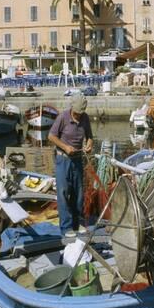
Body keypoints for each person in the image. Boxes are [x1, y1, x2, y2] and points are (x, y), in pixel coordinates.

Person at [48, 93, 93, 238]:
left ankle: (77, 223)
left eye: (81, 113)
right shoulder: (62, 117)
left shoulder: (85, 118)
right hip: (63, 160)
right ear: (72, 108)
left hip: (78, 160)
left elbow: (90, 137)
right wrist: (65, 147)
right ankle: (66, 227)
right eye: (76, 113)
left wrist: (89, 145)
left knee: (78, 194)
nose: (79, 116)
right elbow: (51, 136)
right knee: (63, 193)